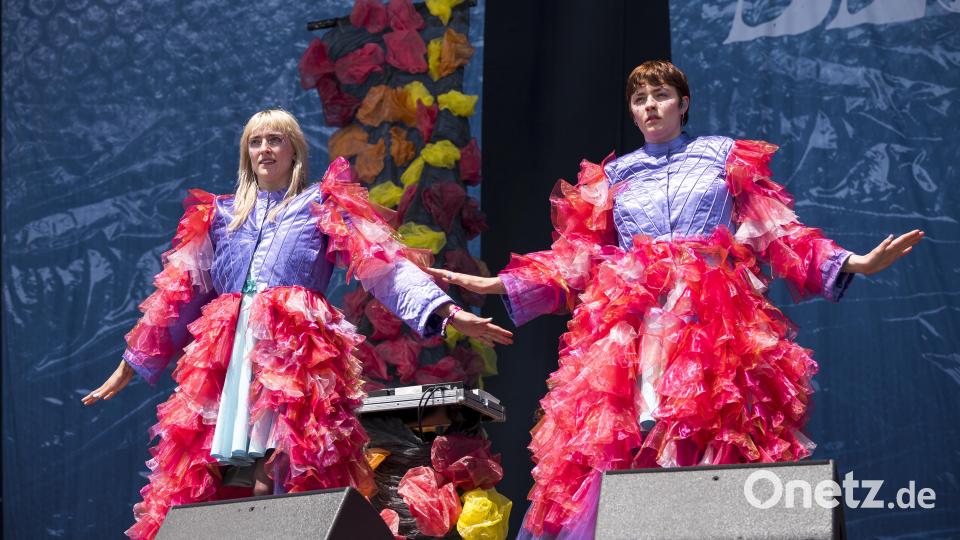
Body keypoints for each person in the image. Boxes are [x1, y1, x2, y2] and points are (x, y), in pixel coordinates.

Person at [429, 60, 923, 539]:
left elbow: (776, 230)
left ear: (683, 104)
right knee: (619, 436)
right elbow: (578, 257)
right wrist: (499, 284)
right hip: (631, 320)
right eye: (639, 99)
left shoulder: (724, 155)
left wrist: (853, 262)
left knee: (717, 425)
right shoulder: (615, 177)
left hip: (712, 313)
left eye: (661, 96)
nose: (650, 107)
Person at [81, 108, 512, 540]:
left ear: (294, 151)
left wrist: (448, 313)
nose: (264, 149)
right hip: (228, 352)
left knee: (282, 458)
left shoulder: (320, 205)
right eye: (255, 141)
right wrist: (130, 363)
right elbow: (178, 294)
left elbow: (384, 267)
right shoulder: (220, 217)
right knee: (220, 464)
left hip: (293, 348)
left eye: (275, 140)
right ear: (245, 153)